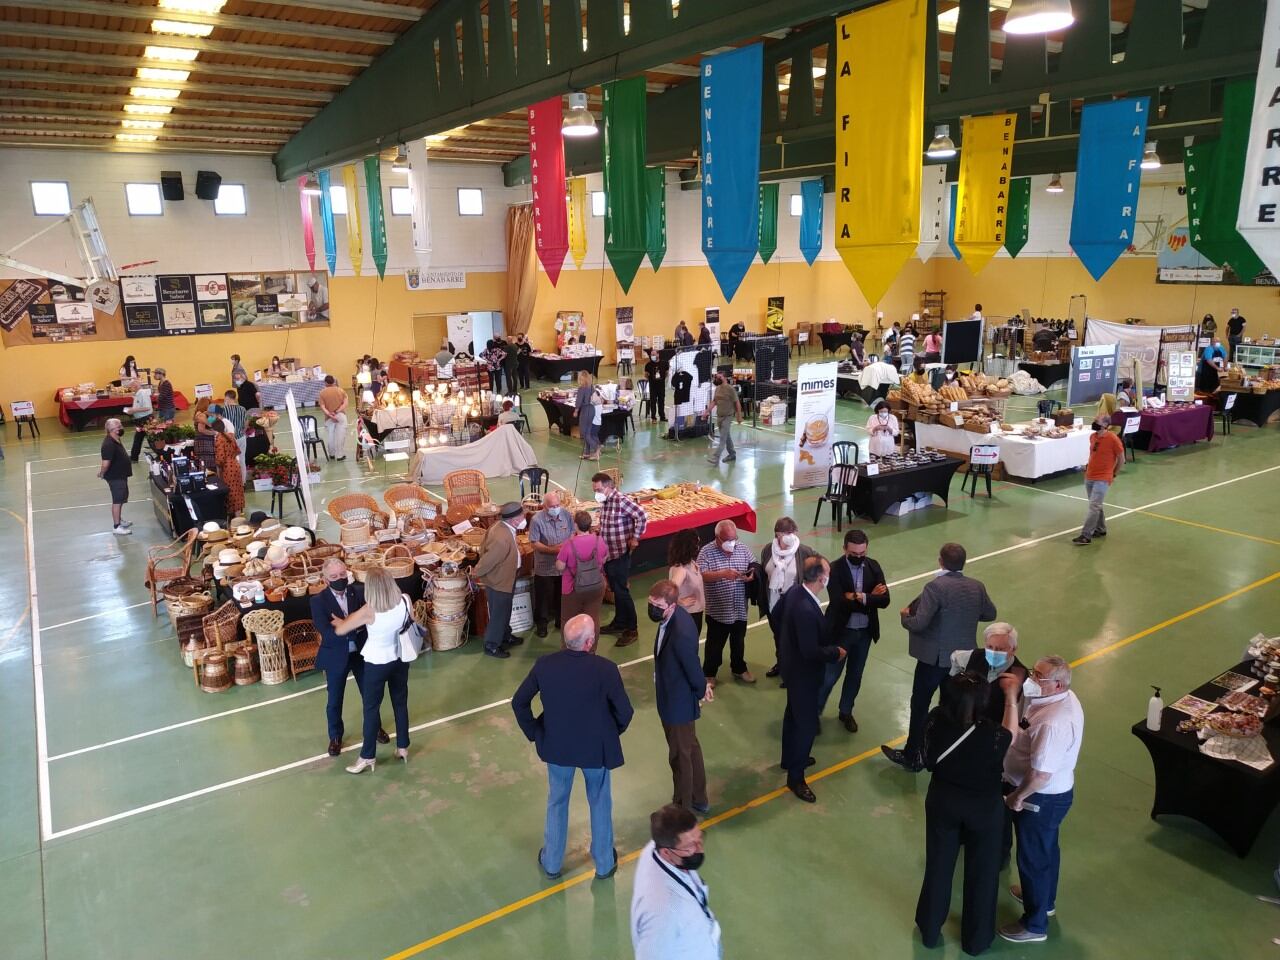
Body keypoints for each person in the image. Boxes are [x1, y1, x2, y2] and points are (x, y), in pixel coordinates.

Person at [512, 613, 633, 880]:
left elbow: (519, 702)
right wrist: (611, 732)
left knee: (557, 801)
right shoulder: (605, 669)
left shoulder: (545, 665)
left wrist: (535, 732)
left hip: (557, 748)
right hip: (596, 750)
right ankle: (604, 862)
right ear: (589, 642)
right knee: (600, 802)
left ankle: (552, 862)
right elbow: (625, 711)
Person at [916, 673, 1020, 955]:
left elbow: (927, 757)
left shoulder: (935, 719)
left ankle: (929, 928)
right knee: (983, 872)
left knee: (938, 865)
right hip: (983, 808)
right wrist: (1011, 697)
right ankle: (976, 940)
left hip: (943, 801)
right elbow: (1011, 736)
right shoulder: (992, 734)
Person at [883, 542, 997, 772]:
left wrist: (905, 617)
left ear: (940, 561)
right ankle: (944, 752)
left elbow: (920, 623)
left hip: (934, 659)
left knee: (920, 704)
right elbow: (990, 613)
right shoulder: (976, 586)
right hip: (963, 660)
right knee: (952, 706)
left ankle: (913, 754)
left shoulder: (935, 587)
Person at [999, 657, 1084, 944]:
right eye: (1033, 673)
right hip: (1051, 796)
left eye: (1039, 677)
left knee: (1032, 858)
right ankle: (1044, 901)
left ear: (1057, 685)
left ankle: (1034, 926)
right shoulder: (1060, 698)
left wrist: (1017, 796)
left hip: (1039, 798)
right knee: (1046, 849)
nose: (1032, 680)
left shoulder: (1053, 722)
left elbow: (1040, 775)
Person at [329, 568, 415, 773]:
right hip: (400, 658)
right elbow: (410, 621)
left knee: (371, 709)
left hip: (377, 663)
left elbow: (341, 629)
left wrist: (342, 621)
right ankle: (403, 747)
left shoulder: (369, 610)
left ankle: (367, 756)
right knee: (400, 702)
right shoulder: (405, 600)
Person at [779, 556, 846, 802]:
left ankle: (788, 758)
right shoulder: (806, 609)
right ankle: (796, 777)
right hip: (804, 674)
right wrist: (835, 653)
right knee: (806, 725)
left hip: (791, 668)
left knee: (792, 715)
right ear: (820, 578)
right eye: (827, 573)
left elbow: (776, 616)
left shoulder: (795, 593)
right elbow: (810, 650)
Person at [310, 559, 389, 756]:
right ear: (325, 580)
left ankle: (375, 728)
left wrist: (344, 624)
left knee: (370, 695)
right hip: (336, 656)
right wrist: (355, 624)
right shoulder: (318, 601)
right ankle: (335, 737)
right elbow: (327, 633)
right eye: (334, 577)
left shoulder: (359, 592)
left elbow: (371, 622)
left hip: (362, 653)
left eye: (342, 575)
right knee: (335, 700)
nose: (340, 579)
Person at [648, 581, 712, 814]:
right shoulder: (671, 617)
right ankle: (698, 797)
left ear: (671, 606)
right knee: (690, 748)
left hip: (678, 702)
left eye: (658, 606)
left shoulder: (681, 631)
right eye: (651, 603)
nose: (653, 609)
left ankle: (682, 808)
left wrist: (701, 689)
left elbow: (692, 665)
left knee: (680, 755)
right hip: (671, 695)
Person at [820, 529, 890, 732]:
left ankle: (846, 711)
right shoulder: (834, 569)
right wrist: (869, 597)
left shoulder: (873, 566)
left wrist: (858, 596)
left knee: (855, 675)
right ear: (844, 549)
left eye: (862, 553)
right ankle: (813, 713)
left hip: (864, 633)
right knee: (828, 677)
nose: (859, 557)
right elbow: (839, 602)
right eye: (854, 554)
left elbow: (885, 600)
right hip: (840, 633)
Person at [631, 805, 720, 960]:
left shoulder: (655, 848)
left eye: (700, 838)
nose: (700, 849)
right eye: (690, 846)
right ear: (666, 852)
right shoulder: (663, 914)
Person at [697, 520, 756, 686]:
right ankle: (709, 673)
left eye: (734, 539)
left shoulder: (742, 548)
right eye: (727, 540)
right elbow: (701, 575)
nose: (731, 543)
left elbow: (753, 563)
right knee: (714, 645)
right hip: (718, 610)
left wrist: (752, 573)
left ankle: (739, 668)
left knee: (738, 641)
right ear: (717, 538)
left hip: (739, 608)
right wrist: (722, 574)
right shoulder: (706, 552)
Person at [593, 471, 648, 648]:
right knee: (616, 590)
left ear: (609, 487)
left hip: (619, 554)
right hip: (608, 554)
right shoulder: (605, 501)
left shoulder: (621, 501)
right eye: (595, 490)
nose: (596, 493)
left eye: (598, 489)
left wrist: (636, 537)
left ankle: (632, 629)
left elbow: (642, 515)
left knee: (622, 592)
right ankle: (619, 622)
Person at [761, 517, 817, 680]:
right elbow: (765, 571)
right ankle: (782, 664)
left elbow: (820, 567)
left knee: (794, 638)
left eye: (793, 532)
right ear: (778, 534)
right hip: (774, 601)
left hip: (794, 603)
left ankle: (794, 671)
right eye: (787, 533)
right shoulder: (768, 550)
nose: (791, 536)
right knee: (779, 636)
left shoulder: (804, 551)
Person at [473, 502, 527, 659]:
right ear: (514, 520)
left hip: (506, 578)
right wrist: (475, 573)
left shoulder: (503, 527)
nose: (524, 518)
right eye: (522, 516)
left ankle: (505, 636)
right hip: (499, 582)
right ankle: (491, 645)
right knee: (499, 614)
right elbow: (488, 561)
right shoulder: (501, 538)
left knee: (505, 610)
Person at [556, 510, 610, 644]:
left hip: (572, 588)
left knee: (569, 620)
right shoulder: (599, 540)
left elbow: (560, 566)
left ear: (575, 525)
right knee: (593, 619)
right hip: (596, 585)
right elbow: (605, 558)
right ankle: (590, 649)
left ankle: (570, 648)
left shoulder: (569, 544)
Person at [1073, 413, 1124, 545]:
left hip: (1103, 477)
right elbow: (1093, 455)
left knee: (1094, 506)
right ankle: (1100, 529)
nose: (1094, 422)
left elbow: (1121, 459)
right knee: (1096, 504)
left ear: (1106, 424)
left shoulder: (1113, 439)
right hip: (1090, 475)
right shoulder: (1093, 437)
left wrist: (1113, 474)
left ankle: (1086, 535)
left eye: (1097, 421)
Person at [528, 491, 572, 639]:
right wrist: (553, 550)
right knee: (543, 598)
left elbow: (572, 533)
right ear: (544, 506)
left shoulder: (566, 515)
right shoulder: (536, 520)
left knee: (562, 595)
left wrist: (564, 548)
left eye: (557, 505)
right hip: (545, 567)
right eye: (552, 506)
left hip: (563, 566)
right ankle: (542, 625)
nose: (556, 508)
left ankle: (561, 621)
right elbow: (534, 543)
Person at [97, 418, 133, 535]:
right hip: (115, 476)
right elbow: (105, 463)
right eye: (119, 427)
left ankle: (119, 520)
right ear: (112, 429)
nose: (121, 428)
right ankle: (116, 526)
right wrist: (102, 473)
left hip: (121, 474)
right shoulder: (108, 444)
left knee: (121, 498)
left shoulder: (116, 439)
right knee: (117, 500)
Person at [667, 530, 706, 637]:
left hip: (695, 613)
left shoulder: (691, 563)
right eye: (696, 544)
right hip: (687, 616)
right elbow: (667, 592)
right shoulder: (681, 570)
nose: (698, 547)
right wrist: (679, 601)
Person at [209, 420, 244, 516]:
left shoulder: (219, 439)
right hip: (235, 465)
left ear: (214, 429)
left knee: (230, 492)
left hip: (227, 468)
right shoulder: (230, 436)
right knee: (238, 490)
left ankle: (234, 516)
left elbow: (220, 458)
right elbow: (237, 451)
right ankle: (238, 514)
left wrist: (218, 465)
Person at [706, 373, 742, 466]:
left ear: (724, 378)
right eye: (716, 377)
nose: (717, 378)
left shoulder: (730, 389)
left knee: (722, 438)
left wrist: (739, 416)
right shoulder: (717, 389)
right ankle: (732, 454)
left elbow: (737, 402)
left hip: (728, 416)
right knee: (726, 436)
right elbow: (714, 402)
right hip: (720, 416)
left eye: (719, 377)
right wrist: (707, 411)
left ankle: (715, 458)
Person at [317, 375, 349, 462]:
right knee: (340, 436)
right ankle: (340, 455)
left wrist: (330, 414)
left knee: (331, 436)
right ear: (333, 381)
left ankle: (331, 454)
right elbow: (345, 404)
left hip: (329, 418)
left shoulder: (322, 393)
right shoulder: (340, 390)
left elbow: (322, 406)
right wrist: (337, 411)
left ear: (325, 382)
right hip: (340, 415)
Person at [124, 380, 153, 462]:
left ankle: (134, 457)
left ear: (135, 386)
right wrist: (132, 410)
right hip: (140, 420)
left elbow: (147, 407)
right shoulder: (137, 394)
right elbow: (139, 407)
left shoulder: (142, 394)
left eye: (131, 387)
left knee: (151, 439)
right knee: (138, 439)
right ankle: (134, 457)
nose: (130, 389)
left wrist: (133, 410)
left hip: (146, 420)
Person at [221, 389, 248, 471]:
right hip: (241, 437)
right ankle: (243, 478)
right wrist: (243, 431)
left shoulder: (224, 409)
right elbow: (246, 423)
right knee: (242, 460)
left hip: (229, 439)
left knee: (230, 461)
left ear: (227, 398)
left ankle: (233, 478)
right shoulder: (242, 409)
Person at [575, 370, 600, 461]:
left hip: (585, 410)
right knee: (588, 432)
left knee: (584, 433)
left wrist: (576, 411)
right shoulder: (591, 387)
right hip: (592, 409)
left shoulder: (581, 389)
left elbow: (579, 401)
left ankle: (596, 447)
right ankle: (587, 452)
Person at [644, 350, 667, 422]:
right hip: (653, 386)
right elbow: (646, 375)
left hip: (661, 386)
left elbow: (666, 373)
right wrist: (650, 378)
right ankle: (653, 418)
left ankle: (662, 417)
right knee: (653, 402)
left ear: (658, 354)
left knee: (661, 401)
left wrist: (662, 379)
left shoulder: (664, 363)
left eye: (654, 354)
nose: (652, 356)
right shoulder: (648, 365)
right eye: (651, 355)